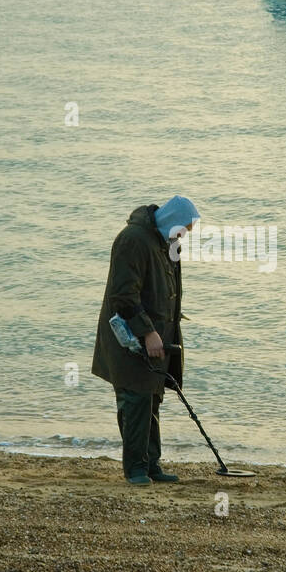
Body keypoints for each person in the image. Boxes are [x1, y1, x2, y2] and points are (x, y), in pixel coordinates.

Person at [92, 197, 199, 485]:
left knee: (152, 398)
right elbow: (123, 295)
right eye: (183, 229)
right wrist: (147, 331)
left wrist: (167, 333)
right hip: (129, 338)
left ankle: (151, 465)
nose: (184, 235)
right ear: (170, 219)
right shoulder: (132, 240)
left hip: (159, 336)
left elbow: (171, 292)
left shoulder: (166, 241)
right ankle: (136, 470)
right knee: (136, 399)